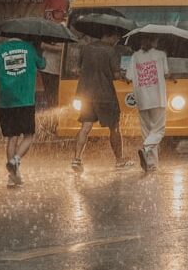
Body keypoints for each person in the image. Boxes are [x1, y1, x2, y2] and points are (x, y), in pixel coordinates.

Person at [72, 29, 132, 171]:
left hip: (86, 93)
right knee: (114, 127)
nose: (116, 41)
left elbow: (77, 69)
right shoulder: (110, 51)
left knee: (85, 127)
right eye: (116, 38)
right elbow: (116, 75)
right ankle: (119, 161)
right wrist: (125, 77)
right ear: (109, 36)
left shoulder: (86, 48)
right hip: (105, 95)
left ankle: (76, 160)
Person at [0, 35, 47, 187]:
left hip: (6, 101)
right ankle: (15, 160)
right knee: (28, 135)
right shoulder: (30, 49)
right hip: (25, 100)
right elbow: (42, 64)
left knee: (12, 137)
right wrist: (39, 51)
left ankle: (12, 177)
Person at [125, 35, 170, 173]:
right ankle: (146, 148)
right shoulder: (161, 55)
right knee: (158, 131)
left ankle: (151, 163)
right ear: (154, 41)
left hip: (142, 100)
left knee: (147, 132)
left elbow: (128, 77)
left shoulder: (135, 56)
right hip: (158, 99)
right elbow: (166, 74)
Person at [39, 5, 66, 109]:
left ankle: (56, 113)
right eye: (54, 12)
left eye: (59, 11)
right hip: (48, 67)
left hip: (58, 68)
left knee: (57, 96)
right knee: (51, 96)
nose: (55, 14)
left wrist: (46, 46)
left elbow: (65, 49)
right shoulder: (48, 27)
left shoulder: (64, 27)